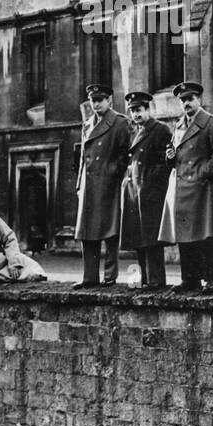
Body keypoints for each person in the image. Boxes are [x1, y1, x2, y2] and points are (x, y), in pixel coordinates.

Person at [159, 80, 213, 294]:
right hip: (183, 189)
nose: (186, 103)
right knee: (185, 236)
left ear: (199, 100)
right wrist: (169, 157)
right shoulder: (179, 126)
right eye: (183, 100)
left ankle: (211, 281)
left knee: (206, 235)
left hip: (203, 188)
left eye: (190, 99)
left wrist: (203, 172)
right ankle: (190, 279)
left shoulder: (211, 123)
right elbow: (176, 155)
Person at [73, 83, 131, 289]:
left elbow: (126, 154)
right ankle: (89, 277)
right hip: (89, 186)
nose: (96, 105)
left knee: (110, 230)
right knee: (88, 231)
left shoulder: (119, 122)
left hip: (108, 184)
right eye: (93, 101)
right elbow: (83, 158)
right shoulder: (87, 125)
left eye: (100, 100)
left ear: (109, 101)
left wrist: (113, 171)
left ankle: (109, 276)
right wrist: (80, 184)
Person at [119, 90, 173, 289]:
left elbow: (166, 162)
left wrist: (151, 183)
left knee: (152, 239)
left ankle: (156, 280)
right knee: (139, 238)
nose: (135, 115)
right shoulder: (135, 131)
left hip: (150, 193)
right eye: (132, 111)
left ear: (148, 109)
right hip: (134, 192)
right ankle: (144, 279)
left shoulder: (160, 130)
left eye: (139, 110)